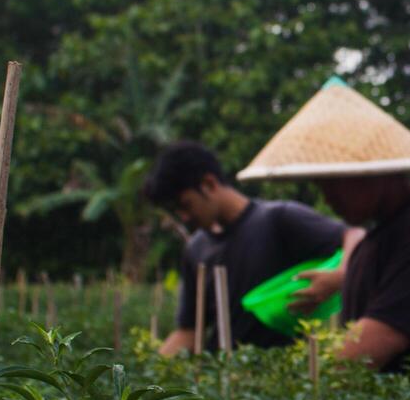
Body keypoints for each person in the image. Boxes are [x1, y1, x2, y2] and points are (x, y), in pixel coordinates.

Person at [238, 77, 410, 372]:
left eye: (335, 184)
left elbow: (370, 348)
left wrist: (301, 392)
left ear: (376, 171)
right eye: (321, 187)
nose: (328, 199)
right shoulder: (378, 236)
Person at [143, 141, 358, 355]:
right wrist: (148, 377)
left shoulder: (278, 219)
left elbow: (354, 235)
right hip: (220, 375)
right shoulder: (196, 249)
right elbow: (188, 331)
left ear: (209, 184)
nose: (184, 217)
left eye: (185, 205)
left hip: (275, 374)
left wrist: (341, 275)